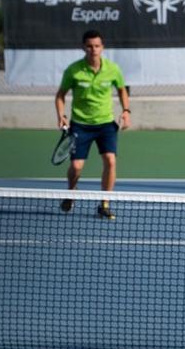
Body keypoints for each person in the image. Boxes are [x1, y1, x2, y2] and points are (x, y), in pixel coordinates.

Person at [54, 29, 131, 219]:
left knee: (111, 161)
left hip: (106, 124)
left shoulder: (113, 69)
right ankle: (71, 193)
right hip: (80, 125)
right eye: (89, 46)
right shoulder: (73, 71)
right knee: (77, 167)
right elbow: (60, 95)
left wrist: (126, 111)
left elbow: (122, 91)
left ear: (102, 47)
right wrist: (61, 115)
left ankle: (104, 203)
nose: (93, 49)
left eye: (97, 46)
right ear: (83, 47)